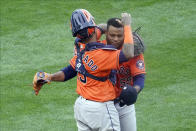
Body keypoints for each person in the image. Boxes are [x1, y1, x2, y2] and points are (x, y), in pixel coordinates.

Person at [33, 9, 135, 131]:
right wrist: (127, 26)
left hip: (81, 108)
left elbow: (69, 71)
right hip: (100, 109)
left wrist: (50, 77)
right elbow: (128, 53)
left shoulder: (79, 46)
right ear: (92, 28)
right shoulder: (102, 54)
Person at [98, 18, 146, 131]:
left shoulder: (133, 50)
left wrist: (134, 90)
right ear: (106, 34)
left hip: (123, 105)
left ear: (125, 35)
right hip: (103, 104)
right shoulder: (99, 48)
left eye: (119, 36)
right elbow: (95, 30)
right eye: (112, 35)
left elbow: (139, 78)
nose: (115, 39)